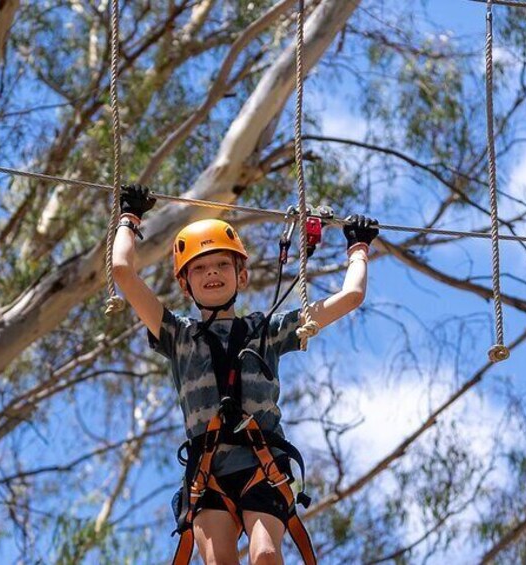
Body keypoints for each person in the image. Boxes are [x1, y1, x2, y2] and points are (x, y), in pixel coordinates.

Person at [112, 185, 378, 565]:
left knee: (266, 554)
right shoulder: (176, 334)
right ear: (185, 284)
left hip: (263, 464)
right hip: (208, 475)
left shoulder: (267, 329)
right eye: (200, 269)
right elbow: (123, 271)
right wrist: (129, 217)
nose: (212, 274)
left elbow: (350, 297)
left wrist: (358, 248)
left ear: (243, 276)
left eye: (222, 265)